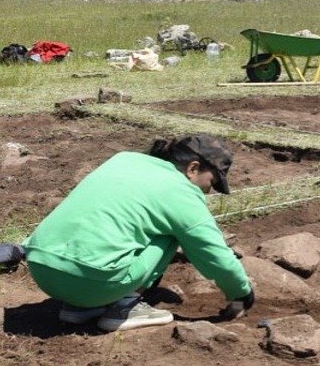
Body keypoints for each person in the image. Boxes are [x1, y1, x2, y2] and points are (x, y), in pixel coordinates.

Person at [23, 135, 254, 331]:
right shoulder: (180, 190)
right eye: (211, 182)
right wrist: (241, 293)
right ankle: (124, 306)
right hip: (93, 281)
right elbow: (212, 253)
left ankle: (81, 307)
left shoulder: (124, 159)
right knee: (173, 233)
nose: (208, 191)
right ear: (193, 168)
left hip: (41, 267)